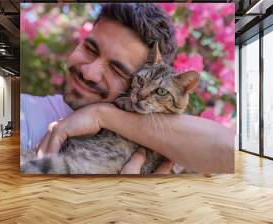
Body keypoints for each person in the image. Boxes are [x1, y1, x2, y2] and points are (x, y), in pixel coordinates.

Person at [21, 3, 235, 174]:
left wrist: (101, 114)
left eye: (117, 69)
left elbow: (228, 151)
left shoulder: (159, 129)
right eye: (90, 48)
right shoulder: (22, 111)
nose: (89, 72)